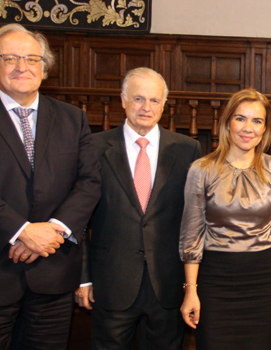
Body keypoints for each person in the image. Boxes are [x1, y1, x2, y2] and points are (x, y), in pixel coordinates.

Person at [0, 23, 101, 349]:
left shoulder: (73, 118)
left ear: (45, 67)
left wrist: (53, 230)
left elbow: (89, 182)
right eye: (10, 58)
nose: (22, 67)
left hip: (52, 275)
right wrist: (22, 231)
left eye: (31, 58)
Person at [74, 67, 201, 349]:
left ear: (164, 105)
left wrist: (192, 284)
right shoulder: (93, 148)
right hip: (111, 282)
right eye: (139, 99)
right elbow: (79, 219)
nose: (147, 107)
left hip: (167, 283)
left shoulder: (187, 149)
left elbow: (194, 220)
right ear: (123, 100)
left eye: (154, 100)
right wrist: (83, 279)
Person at [179, 88, 271, 349]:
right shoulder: (202, 169)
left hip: (262, 280)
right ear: (227, 122)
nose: (248, 128)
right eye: (241, 118)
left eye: (257, 121)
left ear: (265, 129)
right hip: (215, 280)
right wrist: (191, 290)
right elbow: (192, 235)